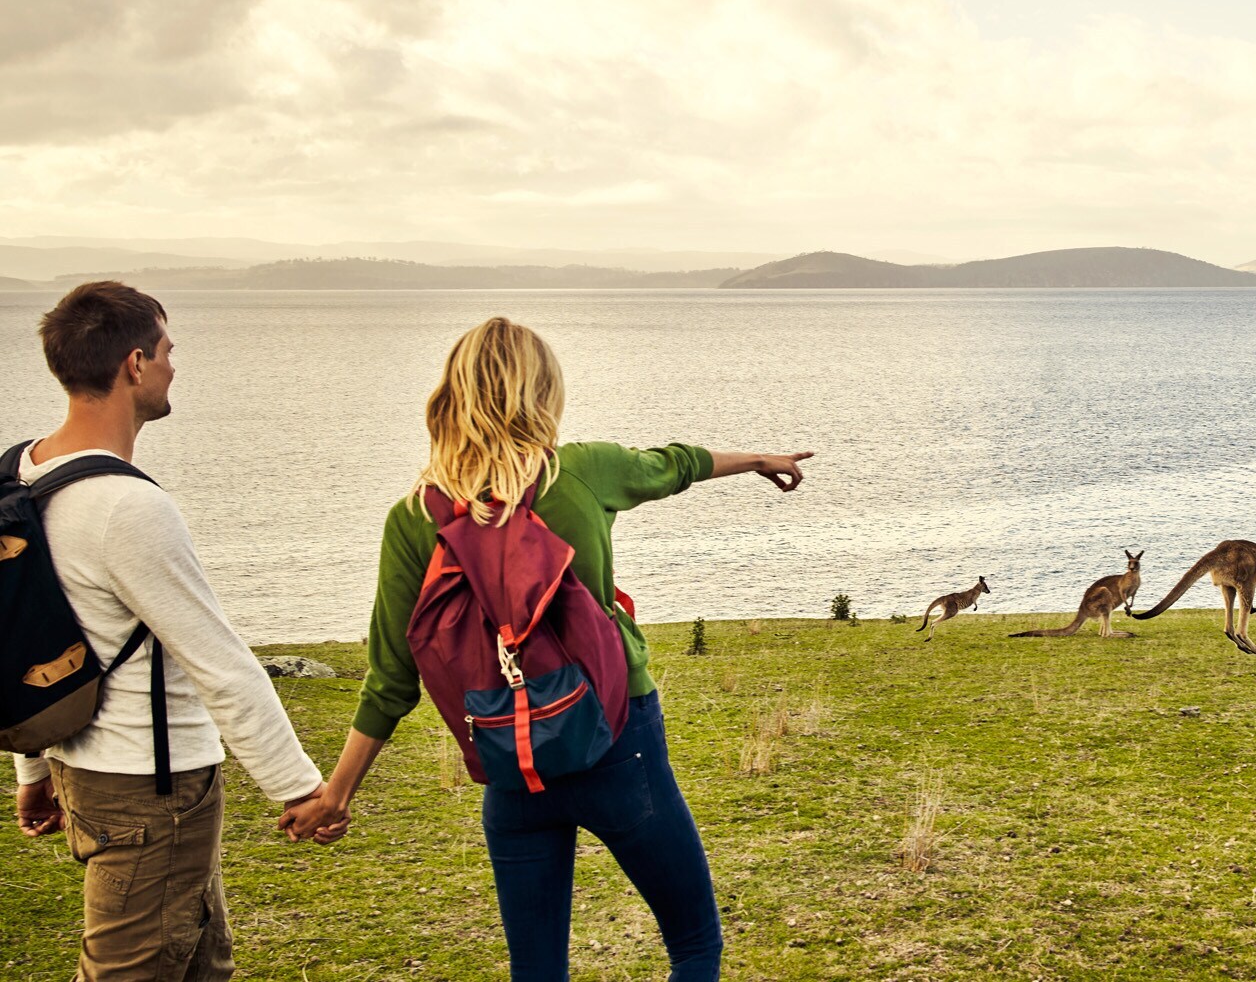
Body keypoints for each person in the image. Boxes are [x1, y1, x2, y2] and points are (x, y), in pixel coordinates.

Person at [289, 317, 811, 982]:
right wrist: (759, 459)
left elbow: (391, 680)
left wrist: (338, 794)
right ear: (544, 393)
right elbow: (677, 464)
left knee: (537, 972)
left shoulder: (414, 518)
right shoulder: (584, 472)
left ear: (452, 395)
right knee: (694, 944)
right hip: (621, 745)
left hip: (513, 765)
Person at [9, 281, 334, 981]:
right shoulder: (127, 507)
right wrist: (301, 789)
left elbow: (24, 636)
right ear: (134, 364)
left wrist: (33, 772)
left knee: (200, 963)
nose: (172, 366)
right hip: (150, 789)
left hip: (82, 770)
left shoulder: (20, 475)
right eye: (166, 350)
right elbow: (221, 662)